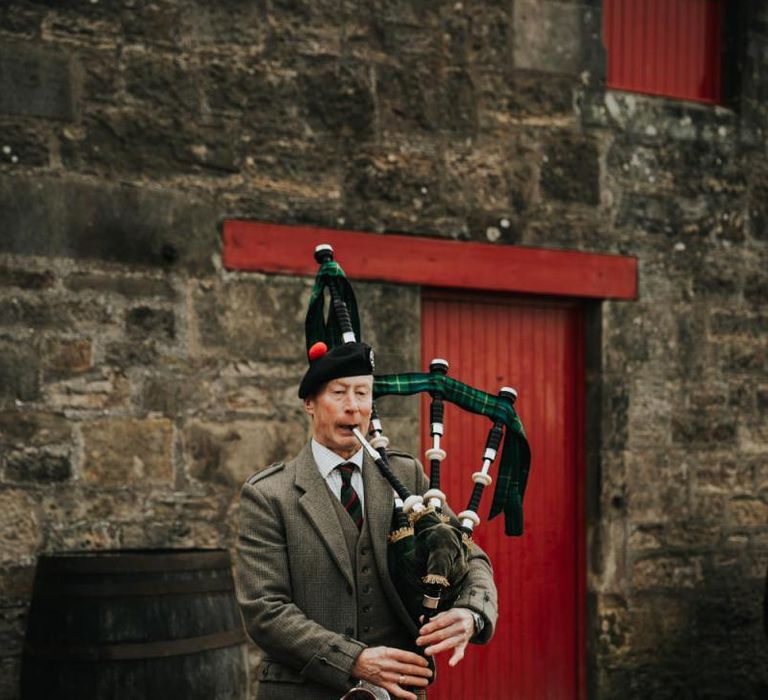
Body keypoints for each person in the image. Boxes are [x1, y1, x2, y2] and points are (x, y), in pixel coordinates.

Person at [236, 342, 498, 700]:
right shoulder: (270, 494)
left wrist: (472, 612)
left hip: (401, 692)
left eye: (362, 393)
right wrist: (353, 660)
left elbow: (468, 555)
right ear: (309, 404)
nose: (353, 406)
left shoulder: (406, 475)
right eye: (339, 393)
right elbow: (265, 610)